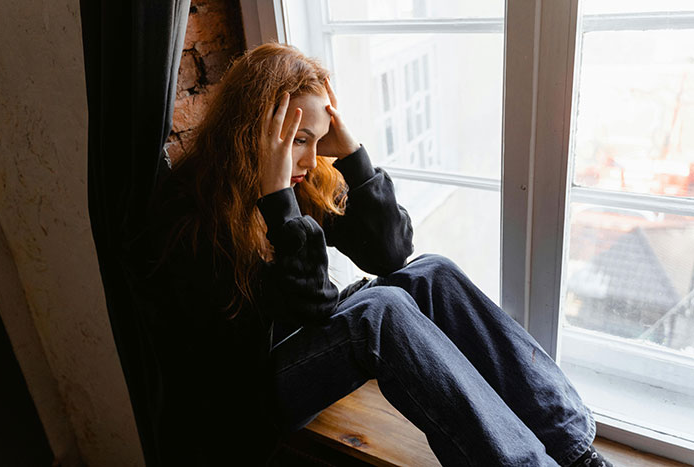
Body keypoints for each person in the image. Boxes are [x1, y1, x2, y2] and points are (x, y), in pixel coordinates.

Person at [132, 42, 613, 466]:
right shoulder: (191, 211)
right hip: (247, 397)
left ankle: (573, 452)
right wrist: (276, 200)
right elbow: (312, 307)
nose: (309, 157)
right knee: (379, 312)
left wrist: (353, 156)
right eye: (299, 140)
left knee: (432, 273)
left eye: (318, 140)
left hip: (300, 346)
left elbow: (391, 254)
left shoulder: (304, 180)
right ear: (252, 130)